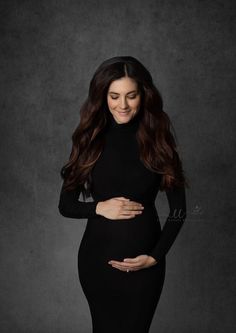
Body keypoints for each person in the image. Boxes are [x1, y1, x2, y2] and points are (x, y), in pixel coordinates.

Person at [58, 56, 188, 333]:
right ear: (103, 96)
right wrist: (98, 208)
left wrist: (155, 257)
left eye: (131, 95)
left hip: (146, 266)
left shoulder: (159, 143)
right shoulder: (90, 141)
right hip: (96, 263)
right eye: (114, 96)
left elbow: (179, 211)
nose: (123, 105)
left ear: (144, 95)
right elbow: (66, 205)